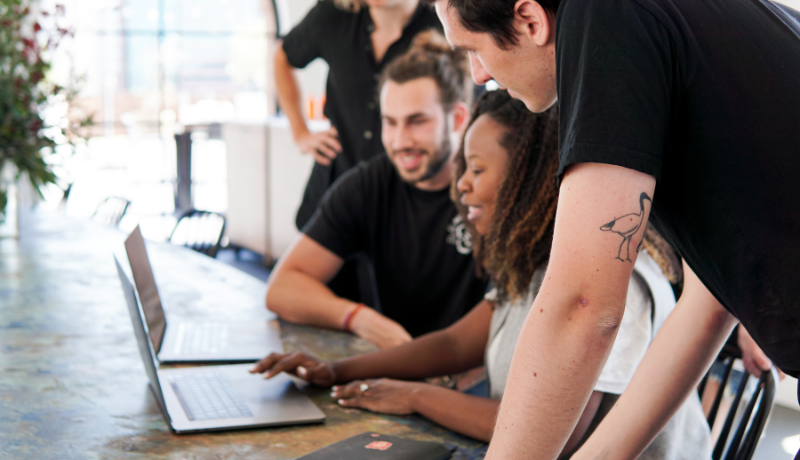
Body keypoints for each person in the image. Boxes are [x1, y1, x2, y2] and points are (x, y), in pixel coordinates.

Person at [425, 0, 800, 458]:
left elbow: (582, 304)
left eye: (473, 48)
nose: (478, 74)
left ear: (529, 20)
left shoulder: (603, 14)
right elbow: (710, 304)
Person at [251, 90, 711, 459]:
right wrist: (334, 370)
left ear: (529, 179)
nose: (461, 185)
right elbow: (454, 343)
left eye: (476, 168)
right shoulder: (533, 262)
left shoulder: (614, 282)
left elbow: (556, 435)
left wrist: (416, 397)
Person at [267, 31, 488, 349]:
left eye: (416, 121)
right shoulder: (369, 185)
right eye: (390, 122)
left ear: (457, 119)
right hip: (396, 362)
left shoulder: (493, 187)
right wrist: (358, 318)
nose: (400, 142)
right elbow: (282, 288)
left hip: (477, 369)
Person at [276, 0, 441, 229]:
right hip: (334, 182)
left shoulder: (444, 27)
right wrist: (300, 133)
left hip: (403, 199)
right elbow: (282, 57)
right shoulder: (332, 14)